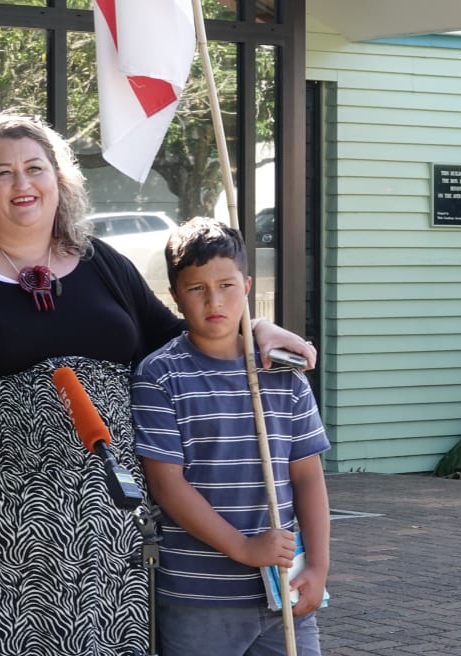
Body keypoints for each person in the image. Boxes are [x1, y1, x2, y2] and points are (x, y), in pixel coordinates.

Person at [0, 112, 317, 655]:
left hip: (107, 527)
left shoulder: (102, 264)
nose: (22, 184)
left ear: (59, 180)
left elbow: (178, 338)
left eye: (35, 168)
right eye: (3, 172)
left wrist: (255, 329)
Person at [131, 217, 330, 656]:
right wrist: (243, 547)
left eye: (226, 284)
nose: (213, 300)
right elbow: (167, 484)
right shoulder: (159, 375)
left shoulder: (283, 375)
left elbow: (308, 477)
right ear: (175, 296)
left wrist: (317, 564)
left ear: (247, 285)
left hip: (283, 586)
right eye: (196, 288)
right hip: (199, 597)